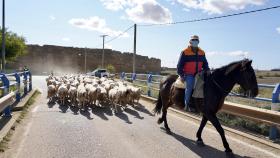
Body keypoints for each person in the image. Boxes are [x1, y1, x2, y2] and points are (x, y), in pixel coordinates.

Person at [177, 35, 210, 112]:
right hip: (189, 74)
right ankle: (186, 104)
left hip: (199, 74)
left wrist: (207, 70)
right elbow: (179, 65)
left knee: (206, 86)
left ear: (198, 42)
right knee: (190, 87)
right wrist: (181, 75)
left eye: (196, 40)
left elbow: (205, 63)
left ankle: (202, 105)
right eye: (193, 40)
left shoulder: (202, 52)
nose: (195, 41)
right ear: (190, 42)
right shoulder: (185, 52)